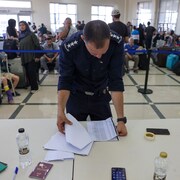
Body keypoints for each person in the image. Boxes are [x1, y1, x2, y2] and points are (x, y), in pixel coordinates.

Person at [57, 20, 127, 136]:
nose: (99, 56)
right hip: (76, 97)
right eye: (94, 53)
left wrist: (121, 120)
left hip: (101, 96)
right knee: (74, 137)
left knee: (108, 138)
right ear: (84, 39)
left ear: (109, 38)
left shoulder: (117, 42)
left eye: (103, 53)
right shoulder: (69, 46)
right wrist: (60, 112)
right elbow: (65, 80)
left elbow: (115, 81)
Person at [18, 21, 40, 94]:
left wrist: (37, 56)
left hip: (31, 56)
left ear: (26, 26)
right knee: (27, 72)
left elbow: (37, 45)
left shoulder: (31, 34)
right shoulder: (20, 35)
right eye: (20, 25)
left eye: (23, 25)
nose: (22, 26)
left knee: (31, 72)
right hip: (24, 56)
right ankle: (30, 84)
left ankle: (34, 87)